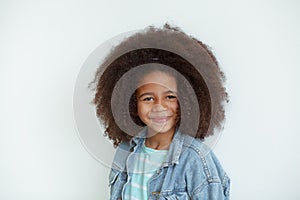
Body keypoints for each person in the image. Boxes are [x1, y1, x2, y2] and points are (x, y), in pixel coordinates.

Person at [89, 24, 230, 200]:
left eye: (170, 97)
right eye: (148, 98)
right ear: (132, 103)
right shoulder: (126, 151)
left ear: (187, 100)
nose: (159, 106)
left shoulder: (196, 159)